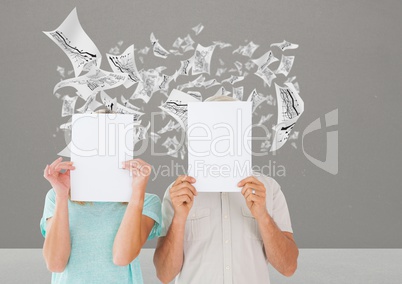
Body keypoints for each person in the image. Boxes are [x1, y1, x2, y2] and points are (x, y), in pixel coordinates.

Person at [153, 95, 299, 284]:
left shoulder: (268, 189)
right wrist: (179, 218)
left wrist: (262, 215)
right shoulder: (179, 192)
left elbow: (288, 267)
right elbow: (164, 275)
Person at [40, 109, 161, 284]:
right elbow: (55, 264)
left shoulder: (147, 201)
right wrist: (61, 195)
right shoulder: (56, 197)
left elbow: (122, 257)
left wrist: (137, 192)